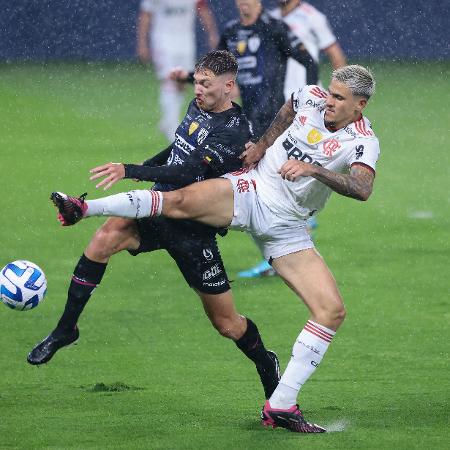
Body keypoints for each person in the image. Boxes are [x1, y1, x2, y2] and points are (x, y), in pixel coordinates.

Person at [54, 65, 379, 433]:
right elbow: (288, 108)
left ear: (360, 105)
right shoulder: (310, 96)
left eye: (339, 98)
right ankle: (83, 208)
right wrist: (262, 145)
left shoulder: (363, 141)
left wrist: (314, 170)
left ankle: (282, 405)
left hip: (288, 230)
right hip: (251, 191)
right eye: (331, 92)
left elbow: (362, 188)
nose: (329, 101)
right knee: (175, 201)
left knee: (331, 311)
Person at [27, 51, 280, 402]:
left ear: (228, 86)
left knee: (227, 324)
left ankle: (266, 363)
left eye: (206, 84)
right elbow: (177, 150)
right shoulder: (199, 106)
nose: (199, 89)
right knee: (105, 238)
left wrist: (131, 170)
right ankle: (65, 329)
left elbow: (186, 172)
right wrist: (147, 166)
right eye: (197, 81)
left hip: (193, 230)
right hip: (158, 209)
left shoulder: (235, 132)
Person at [240, 0, 347, 278]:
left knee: (283, 178)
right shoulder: (271, 19)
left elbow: (335, 54)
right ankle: (286, 247)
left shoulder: (312, 16)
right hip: (281, 108)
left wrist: (341, 98)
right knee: (275, 176)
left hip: (309, 111)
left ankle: (283, 252)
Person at [136, 0, 219, 141]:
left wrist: (212, 34)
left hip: (185, 41)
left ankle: (167, 119)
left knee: (182, 81)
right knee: (169, 80)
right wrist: (142, 43)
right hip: (163, 40)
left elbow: (203, 9)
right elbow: (145, 15)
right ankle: (171, 128)